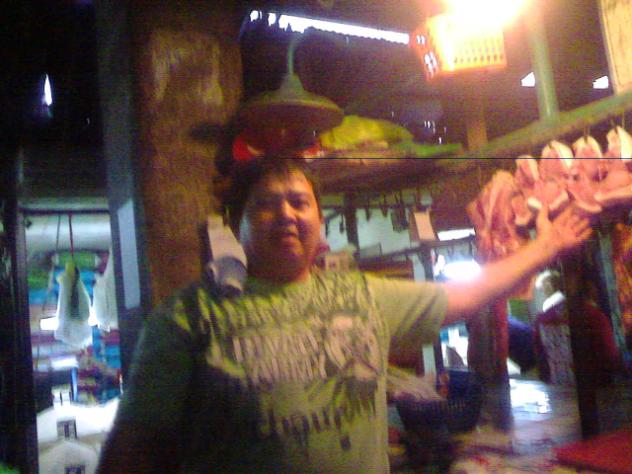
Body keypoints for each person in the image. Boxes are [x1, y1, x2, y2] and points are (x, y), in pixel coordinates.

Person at [97, 159, 592, 473]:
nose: (287, 214)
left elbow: (466, 295)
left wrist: (545, 246)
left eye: (299, 202)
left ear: (318, 218)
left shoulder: (359, 295)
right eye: (267, 205)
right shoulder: (187, 316)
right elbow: (134, 448)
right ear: (236, 222)